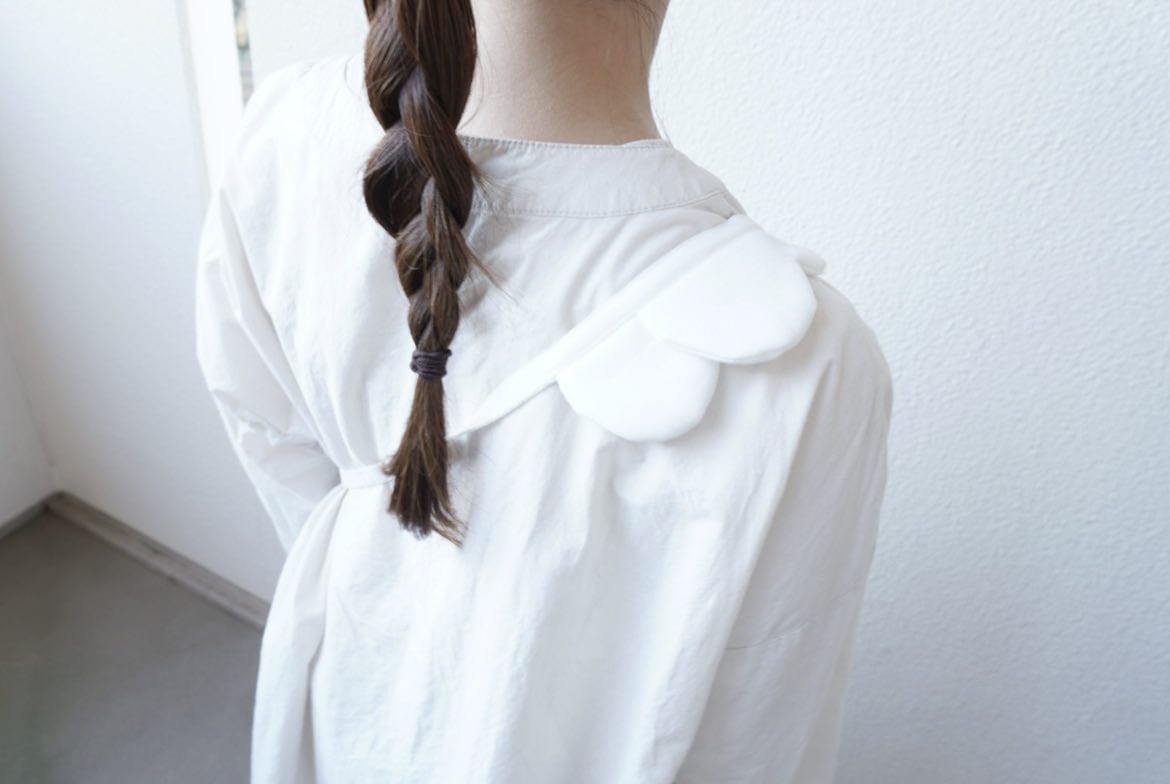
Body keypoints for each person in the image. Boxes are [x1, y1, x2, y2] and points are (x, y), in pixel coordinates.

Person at [193, 1, 893, 781]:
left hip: (337, 710)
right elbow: (756, 752)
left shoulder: (283, 132)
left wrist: (396, 591)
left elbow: (270, 439)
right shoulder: (801, 359)